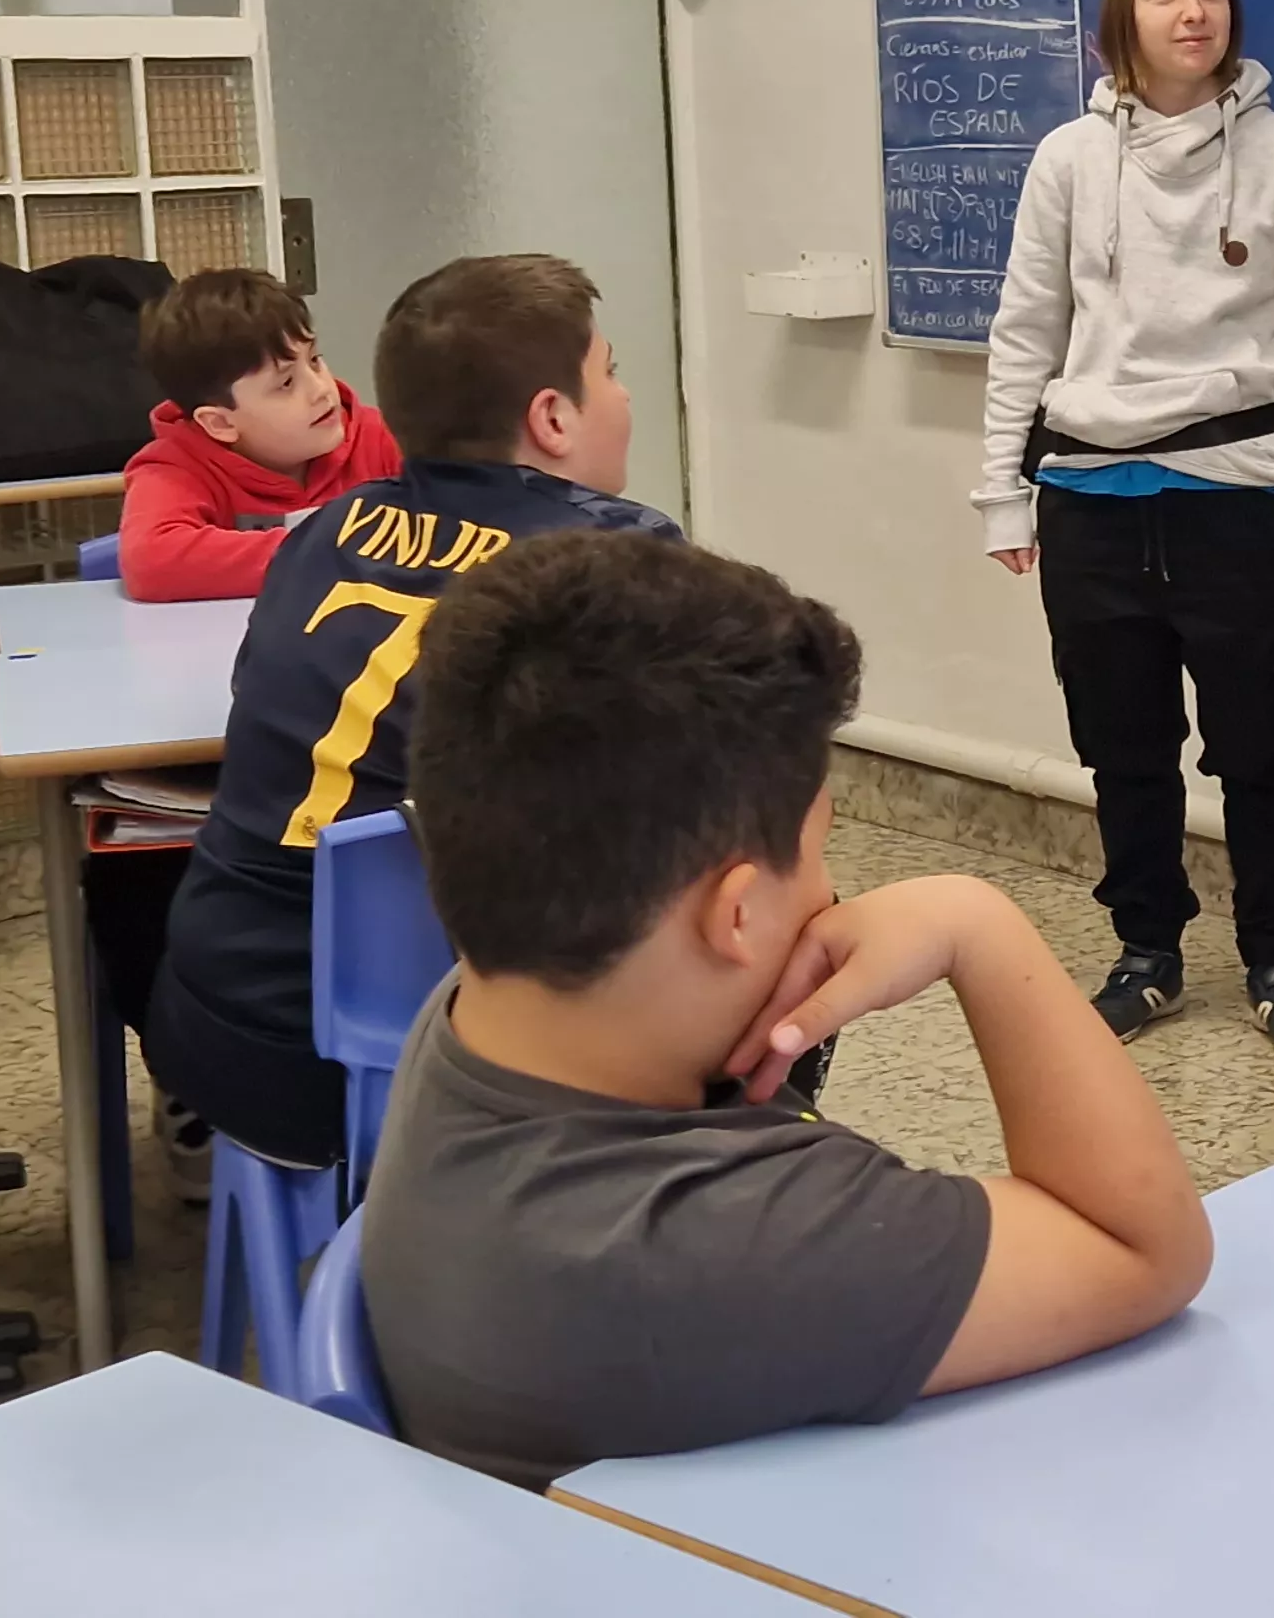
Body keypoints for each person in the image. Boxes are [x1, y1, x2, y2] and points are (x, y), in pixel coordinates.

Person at [364, 531, 1212, 1486]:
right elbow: (1139, 1246)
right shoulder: (724, 1245)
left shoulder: (486, 1001)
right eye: (816, 852)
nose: (832, 887)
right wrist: (978, 923)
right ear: (735, 914)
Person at [145, 254, 674, 1172]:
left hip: (219, 1038)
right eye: (611, 373)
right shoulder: (618, 558)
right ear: (551, 418)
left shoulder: (320, 533)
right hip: (436, 1073)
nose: (624, 398)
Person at [974, 0, 1274, 1065]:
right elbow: (1024, 334)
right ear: (1122, 21)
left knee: (1259, 750)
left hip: (1238, 496)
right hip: (1090, 499)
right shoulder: (1067, 159)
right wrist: (1001, 492)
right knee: (1124, 749)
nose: (1191, 10)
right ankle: (1146, 952)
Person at [119, 268, 404, 604]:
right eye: (285, 384)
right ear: (220, 424)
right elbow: (152, 563)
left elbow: (468, 515)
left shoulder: (383, 437)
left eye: (314, 360)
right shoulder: (175, 467)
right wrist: (343, 548)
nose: (321, 390)